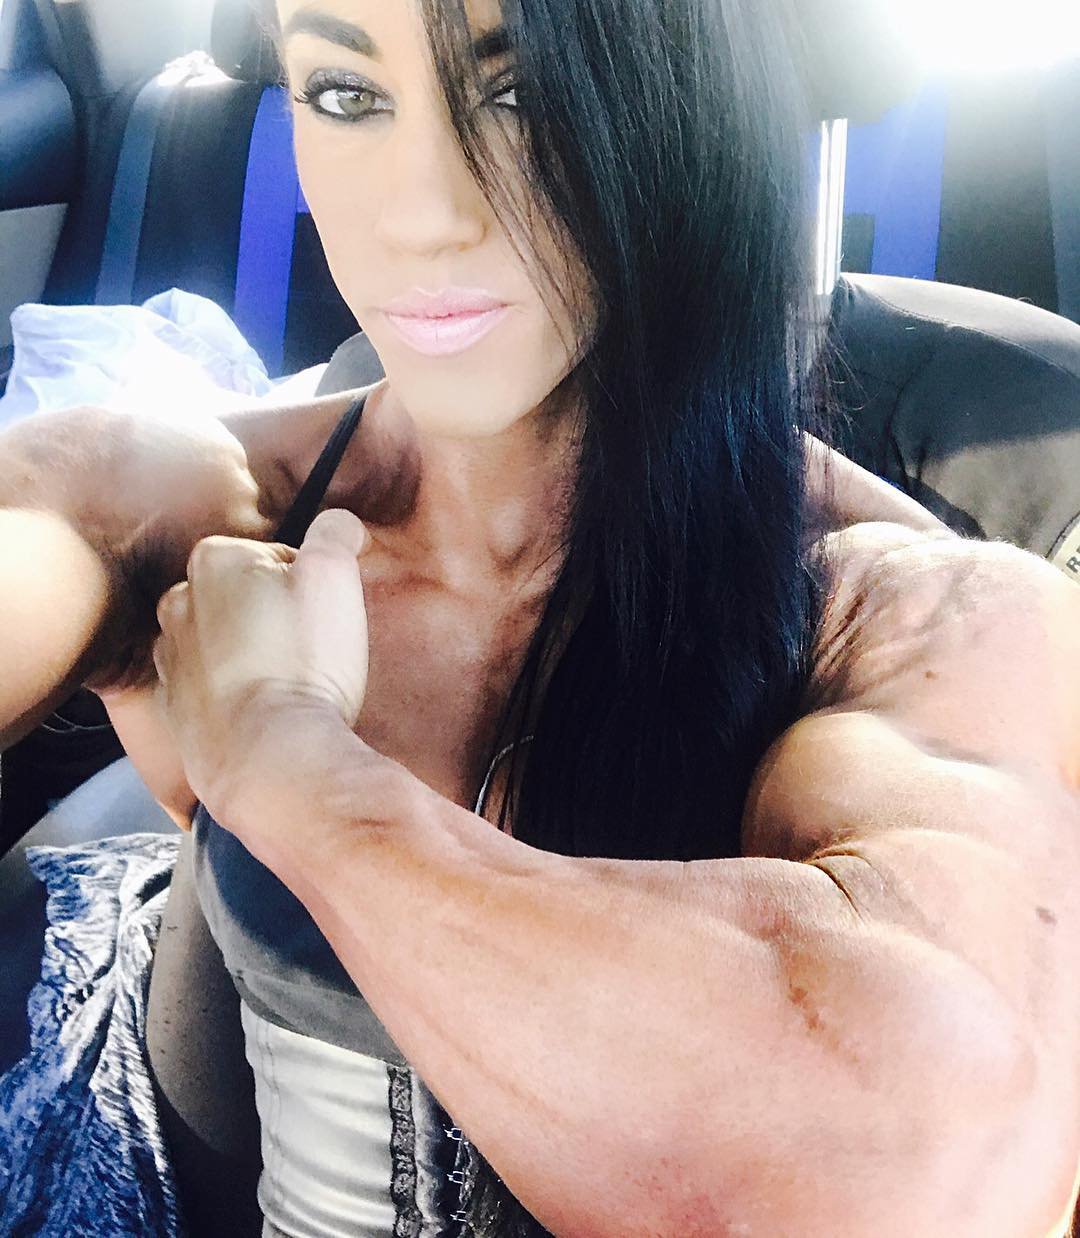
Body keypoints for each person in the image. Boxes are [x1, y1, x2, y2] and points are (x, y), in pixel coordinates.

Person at [1, 1, 1078, 1236]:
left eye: (524, 95)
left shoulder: (909, 616)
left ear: (698, 106)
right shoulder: (180, 505)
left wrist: (293, 766)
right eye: (345, 95)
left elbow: (933, 1164)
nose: (421, 213)